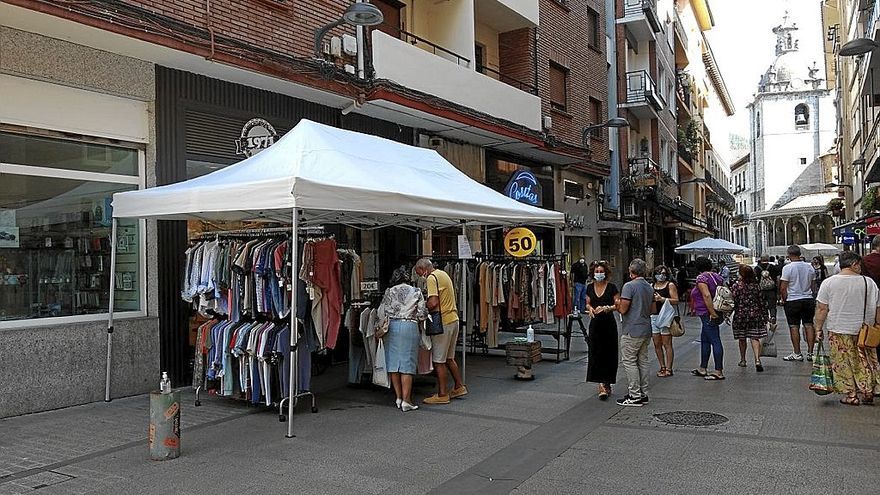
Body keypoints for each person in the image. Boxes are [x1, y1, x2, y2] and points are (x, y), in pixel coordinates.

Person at [814, 251, 880, 405]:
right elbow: (878, 308)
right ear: (854, 264)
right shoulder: (868, 282)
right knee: (865, 360)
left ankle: (851, 395)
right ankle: (868, 390)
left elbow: (822, 308)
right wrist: (877, 325)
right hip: (865, 330)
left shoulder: (829, 283)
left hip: (838, 329)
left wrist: (818, 328)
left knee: (843, 362)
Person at [414, 258, 467, 405]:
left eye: (419, 273)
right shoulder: (443, 274)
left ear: (423, 269)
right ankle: (459, 386)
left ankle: (443, 394)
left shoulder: (431, 278)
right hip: (453, 319)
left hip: (442, 322)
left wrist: (421, 306)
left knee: (439, 361)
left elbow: (433, 302)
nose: (420, 277)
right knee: (449, 358)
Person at [377, 268, 428, 411]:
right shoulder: (416, 291)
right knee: (407, 364)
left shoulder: (389, 291)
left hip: (392, 326)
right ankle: (407, 400)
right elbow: (422, 313)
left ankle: (398, 397)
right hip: (409, 326)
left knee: (394, 364)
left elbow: (383, 311)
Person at [615, 259, 655, 406]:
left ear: (631, 271)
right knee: (643, 361)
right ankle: (643, 393)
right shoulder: (649, 287)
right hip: (646, 328)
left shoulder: (629, 286)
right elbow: (653, 310)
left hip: (632, 329)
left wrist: (618, 304)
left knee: (629, 361)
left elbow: (623, 309)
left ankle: (634, 395)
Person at [585, 261, 620, 400]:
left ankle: (607, 382)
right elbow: (587, 302)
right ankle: (601, 384)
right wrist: (590, 309)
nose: (599, 273)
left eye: (601, 271)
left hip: (608, 323)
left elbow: (618, 304)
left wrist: (607, 308)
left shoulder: (612, 287)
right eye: (597, 271)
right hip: (595, 324)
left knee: (609, 353)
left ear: (605, 273)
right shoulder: (589, 287)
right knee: (595, 352)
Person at [779, 245, 817, 362]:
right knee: (809, 325)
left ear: (789, 255)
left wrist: (784, 300)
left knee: (793, 326)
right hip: (807, 299)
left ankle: (797, 353)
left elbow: (783, 288)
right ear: (800, 254)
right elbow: (813, 285)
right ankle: (810, 353)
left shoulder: (787, 268)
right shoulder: (810, 267)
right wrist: (812, 295)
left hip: (793, 300)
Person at [691, 256, 726, 380]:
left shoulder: (702, 278)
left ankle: (718, 370)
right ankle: (703, 367)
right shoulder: (717, 277)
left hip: (707, 312)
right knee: (705, 339)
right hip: (713, 311)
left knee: (715, 339)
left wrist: (712, 312)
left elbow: (706, 295)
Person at [731, 264, 768, 372]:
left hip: (740, 315)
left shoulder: (736, 286)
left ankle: (743, 360)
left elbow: (733, 301)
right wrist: (765, 316)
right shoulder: (756, 286)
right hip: (755, 315)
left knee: (742, 338)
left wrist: (728, 314)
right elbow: (762, 302)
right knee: (754, 337)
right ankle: (757, 359)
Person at [650, 265, 679, 378]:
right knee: (657, 343)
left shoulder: (670, 285)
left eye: (663, 273)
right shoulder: (652, 286)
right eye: (658, 273)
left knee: (667, 343)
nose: (661, 275)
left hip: (666, 316)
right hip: (654, 316)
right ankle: (662, 366)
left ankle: (669, 368)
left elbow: (676, 300)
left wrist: (663, 299)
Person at [754, 255, 780, 328]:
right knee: (772, 306)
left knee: (762, 306)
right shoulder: (773, 267)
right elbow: (778, 279)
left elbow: (754, 280)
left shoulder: (757, 268)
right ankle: (773, 317)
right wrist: (778, 291)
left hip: (761, 290)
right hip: (772, 290)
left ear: (761, 259)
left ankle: (765, 320)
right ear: (768, 259)